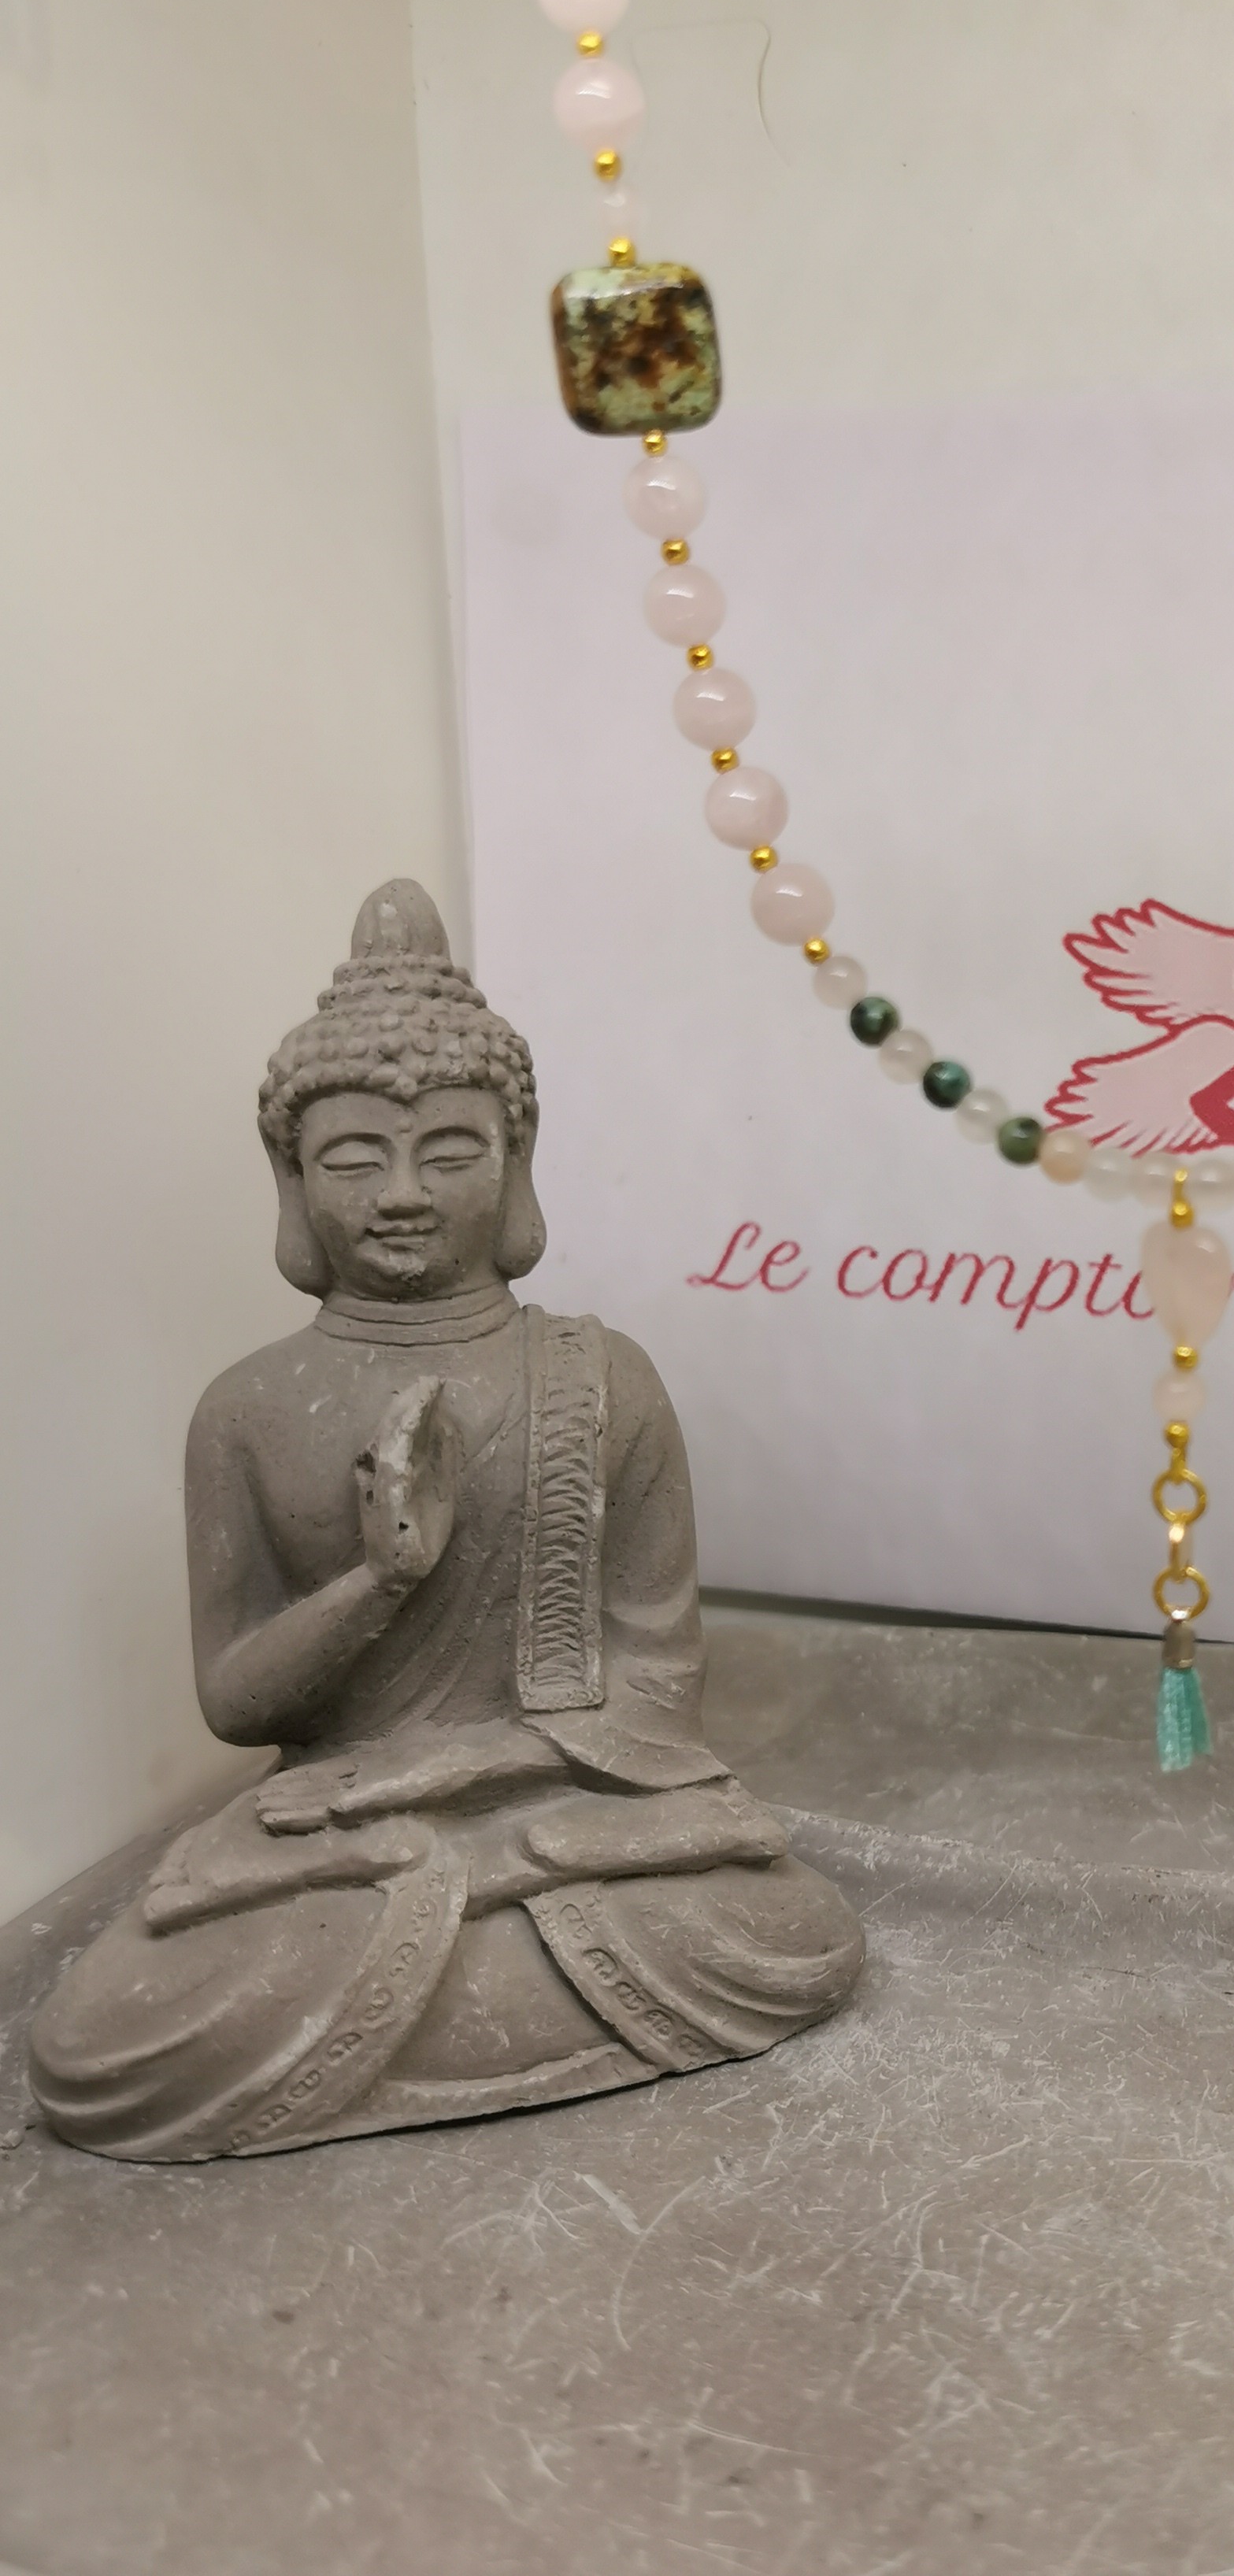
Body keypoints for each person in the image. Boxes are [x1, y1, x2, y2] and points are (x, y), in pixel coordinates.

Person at [31, 883, 862, 2160]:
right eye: (355, 1160)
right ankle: (478, 1958)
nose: (405, 1194)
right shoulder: (247, 1410)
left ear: (516, 1163)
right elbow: (239, 1704)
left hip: (561, 1821)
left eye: (453, 1153)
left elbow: (655, 1690)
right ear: (293, 1177)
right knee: (98, 2049)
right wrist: (380, 1580)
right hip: (333, 1833)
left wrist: (450, 1772)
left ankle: (456, 1942)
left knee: (790, 1937)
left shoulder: (603, 1380)